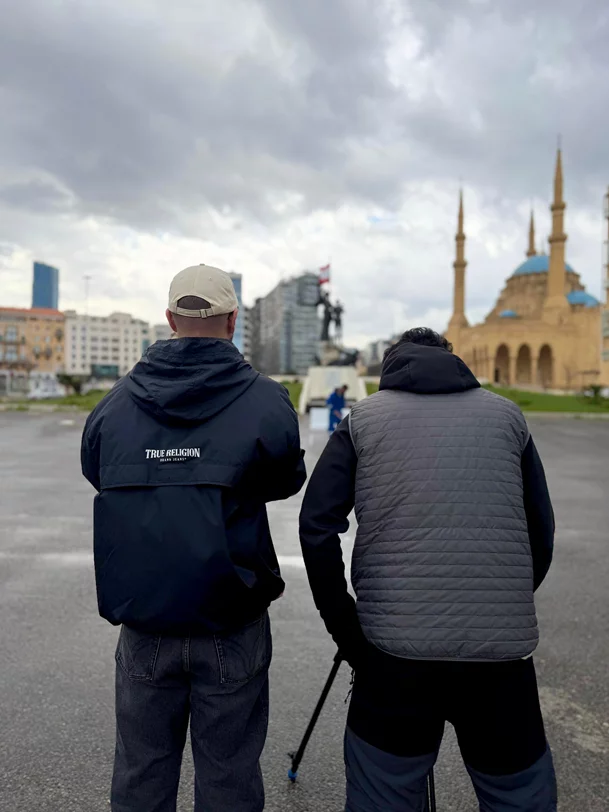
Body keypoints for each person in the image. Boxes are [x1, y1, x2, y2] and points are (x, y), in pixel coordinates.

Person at [300, 327, 556, 812]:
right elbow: (540, 529)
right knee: (517, 797)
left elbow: (315, 527)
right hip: (500, 662)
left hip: (392, 657)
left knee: (385, 794)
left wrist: (348, 632)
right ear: (452, 360)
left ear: (391, 364)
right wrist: (502, 600)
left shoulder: (363, 420)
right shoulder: (507, 417)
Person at [81, 264, 306, 812]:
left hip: (146, 616)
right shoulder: (264, 400)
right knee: (229, 773)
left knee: (141, 771)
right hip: (231, 615)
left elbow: (98, 469)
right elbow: (286, 480)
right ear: (233, 321)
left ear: (169, 320)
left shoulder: (115, 404)